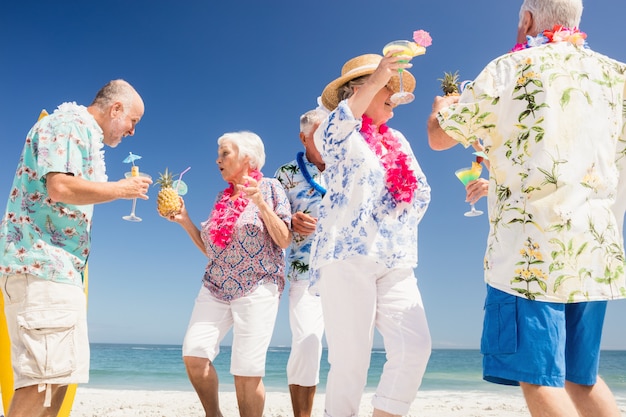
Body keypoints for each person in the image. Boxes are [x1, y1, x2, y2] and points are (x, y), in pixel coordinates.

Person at [426, 1, 626, 416]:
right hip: (595, 251)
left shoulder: (509, 68)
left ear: (529, 20)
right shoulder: (617, 76)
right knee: (580, 377)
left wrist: (440, 112)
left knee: (538, 377)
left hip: (530, 257)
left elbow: (440, 139)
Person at [0, 79, 150, 417]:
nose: (131, 131)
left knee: (57, 381)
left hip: (59, 270)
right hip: (42, 266)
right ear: (116, 109)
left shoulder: (80, 131)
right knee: (42, 382)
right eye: (133, 122)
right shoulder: (68, 124)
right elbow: (60, 186)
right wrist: (119, 189)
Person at [311, 53, 432, 417]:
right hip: (346, 256)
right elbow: (332, 136)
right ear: (363, 88)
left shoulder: (397, 139)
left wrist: (392, 217)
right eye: (386, 90)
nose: (393, 98)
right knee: (351, 363)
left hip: (394, 256)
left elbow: (422, 191)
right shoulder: (332, 128)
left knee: (415, 346)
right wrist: (378, 77)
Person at [163, 131, 291, 417]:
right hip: (216, 285)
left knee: (246, 370)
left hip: (258, 286)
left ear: (247, 158)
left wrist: (260, 203)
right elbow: (213, 251)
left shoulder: (270, 188)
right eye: (219, 154)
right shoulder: (222, 198)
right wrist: (185, 221)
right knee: (195, 354)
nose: (217, 160)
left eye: (224, 154)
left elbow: (284, 239)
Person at [274, 108, 326, 417]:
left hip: (349, 268)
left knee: (353, 349)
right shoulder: (285, 174)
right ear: (303, 137)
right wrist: (290, 220)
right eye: (317, 133)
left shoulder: (349, 164)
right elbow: (274, 222)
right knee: (307, 341)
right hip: (303, 270)